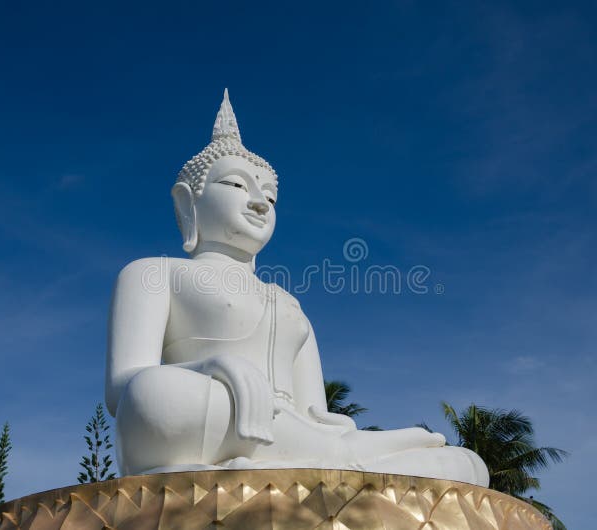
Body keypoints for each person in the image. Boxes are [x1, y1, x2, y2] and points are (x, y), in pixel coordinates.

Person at [105, 90, 488, 486]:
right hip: (204, 416)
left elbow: (315, 413)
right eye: (237, 186)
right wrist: (211, 367)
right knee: (151, 395)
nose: (259, 203)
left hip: (293, 434)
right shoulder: (153, 273)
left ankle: (334, 458)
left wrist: (326, 430)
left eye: (269, 195)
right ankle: (344, 463)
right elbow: (123, 390)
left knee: (469, 465)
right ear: (188, 204)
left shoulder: (287, 302)